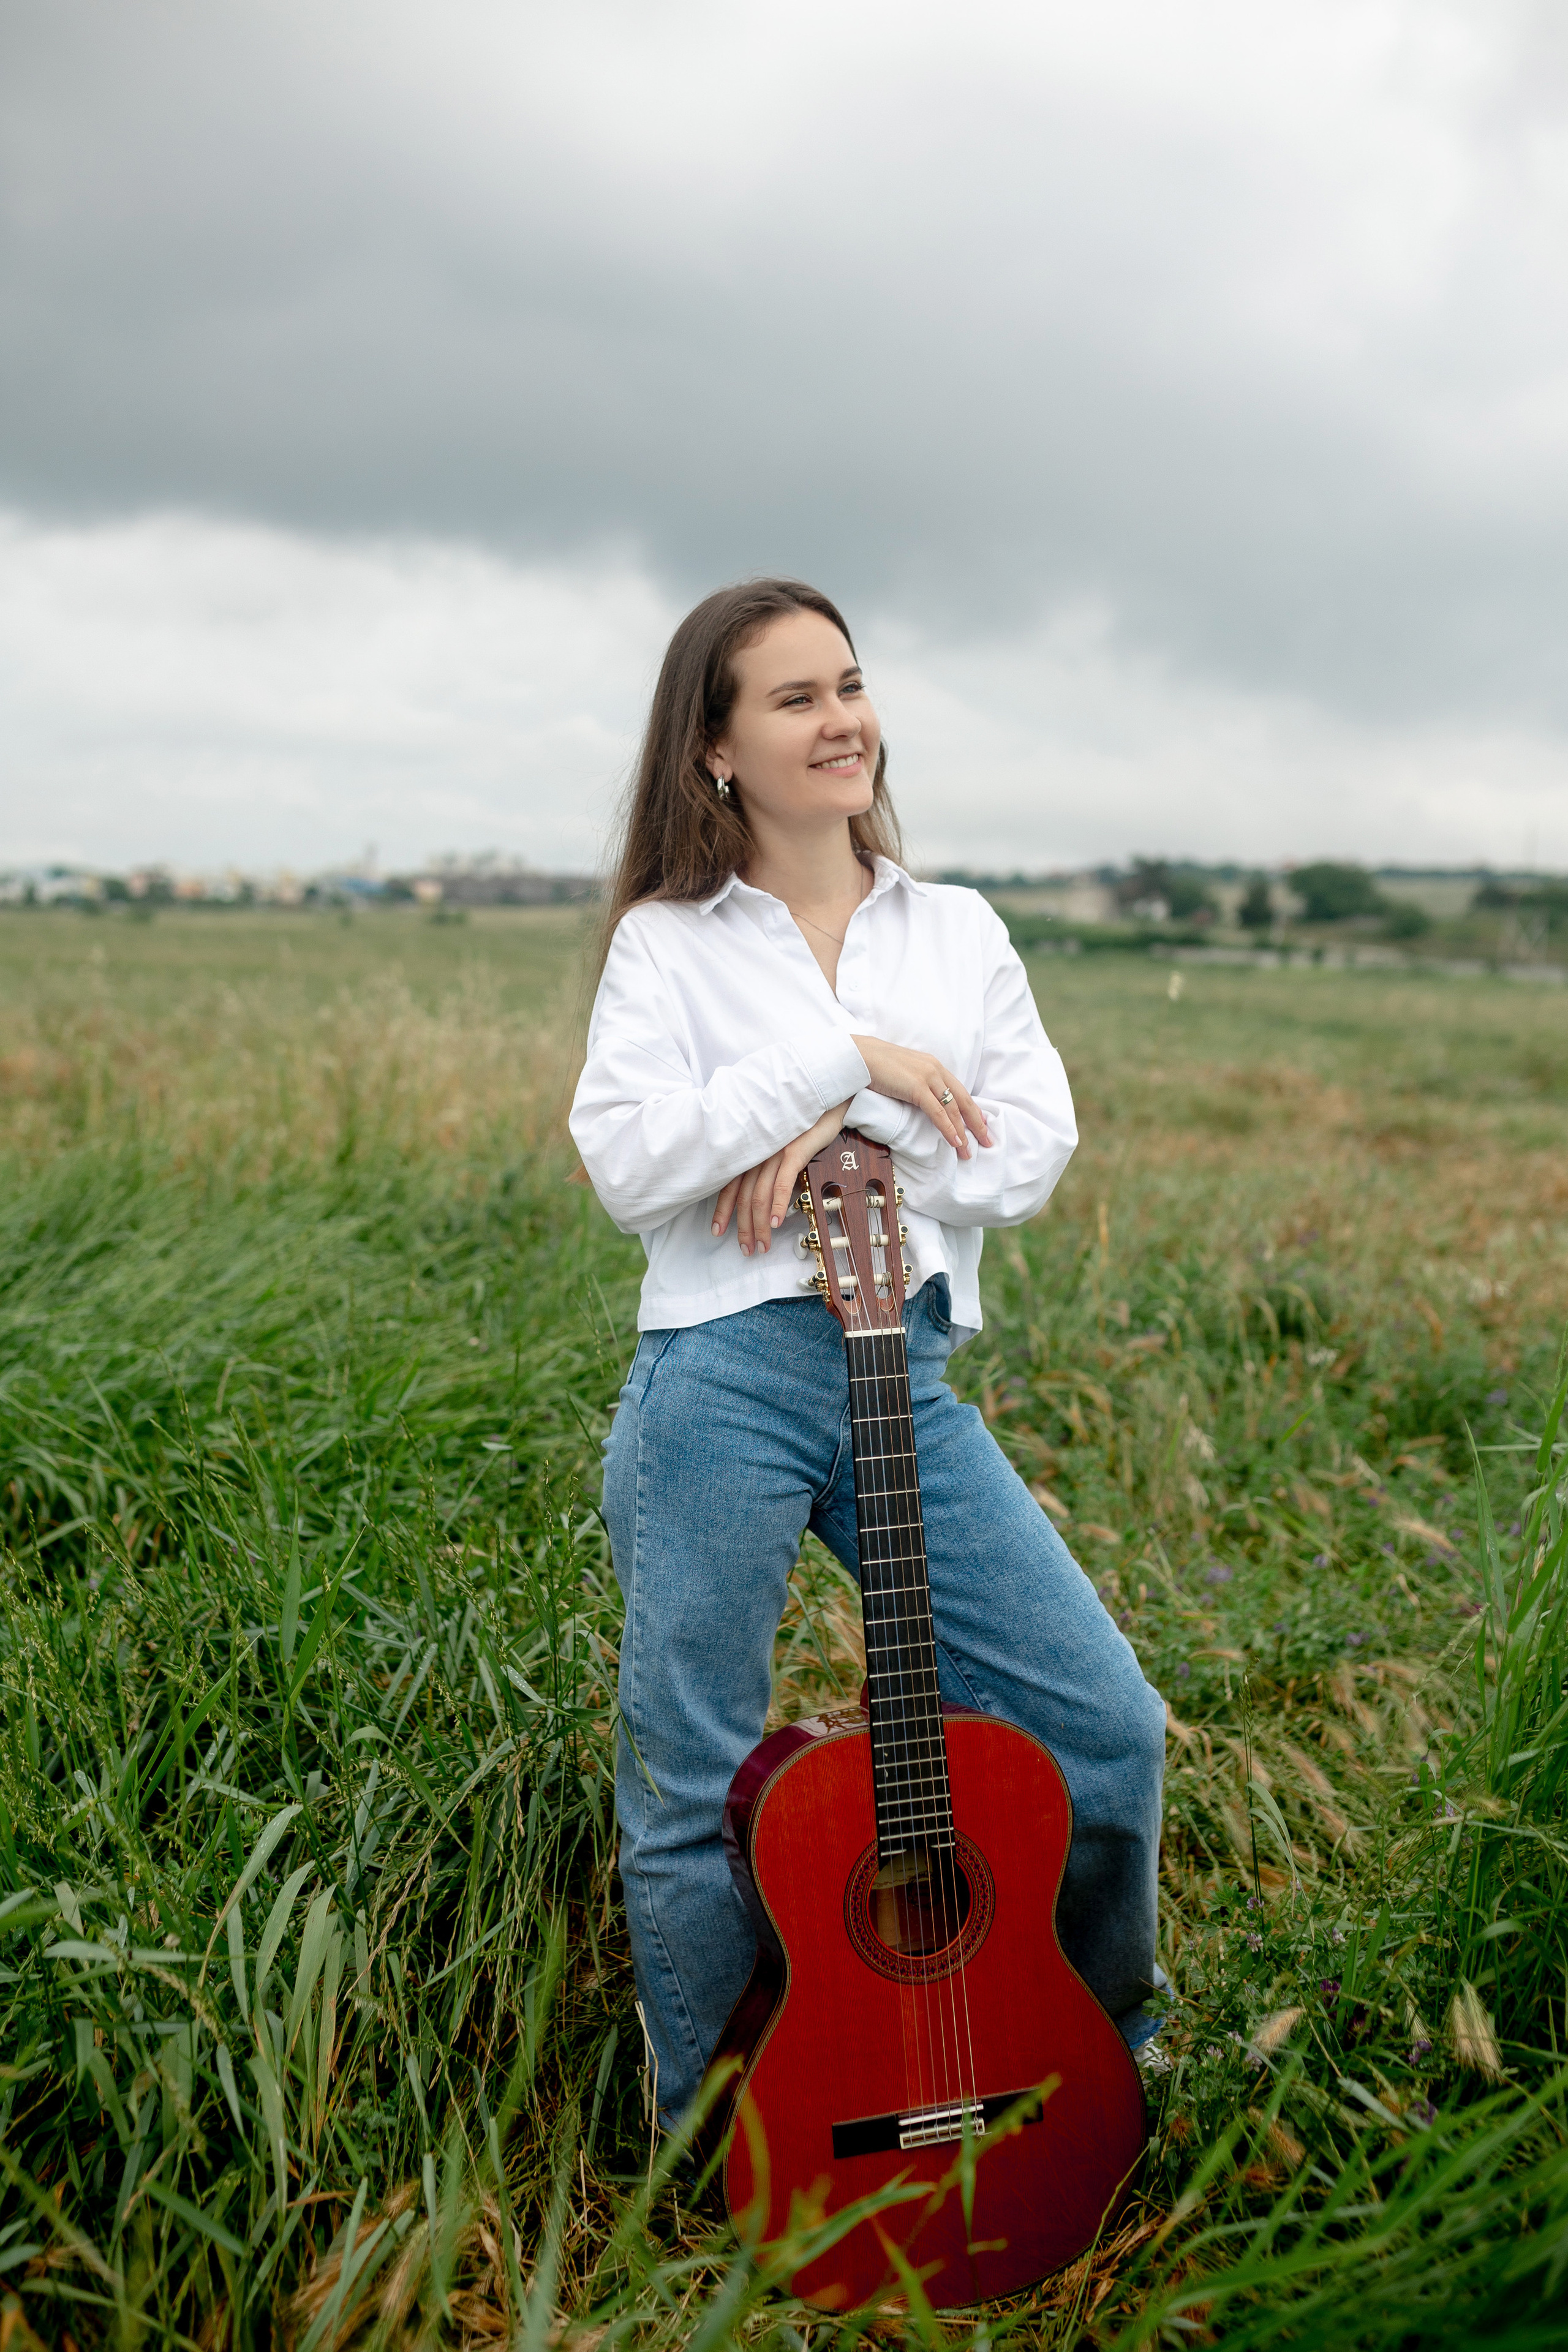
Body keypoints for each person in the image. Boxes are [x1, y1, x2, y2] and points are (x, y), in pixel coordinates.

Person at [570, 579, 1167, 2126]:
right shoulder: (666, 946)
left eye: (848, 684)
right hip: (724, 1381)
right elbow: (632, 1169)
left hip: (904, 1374)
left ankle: (1097, 2053)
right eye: (791, 698)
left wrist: (860, 1121)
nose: (839, 720)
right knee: (692, 1780)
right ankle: (709, 2134)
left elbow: (1025, 1152)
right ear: (714, 749)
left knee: (1102, 1726)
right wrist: (832, 1058)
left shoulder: (954, 931)